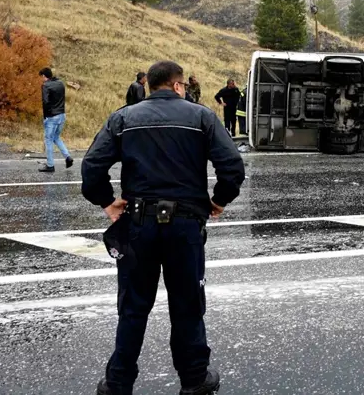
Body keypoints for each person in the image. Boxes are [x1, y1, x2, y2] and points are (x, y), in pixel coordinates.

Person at [82, 60, 245, 395]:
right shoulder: (201, 116)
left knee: (133, 307)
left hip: (138, 224)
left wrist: (106, 201)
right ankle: (194, 379)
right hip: (185, 225)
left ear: (149, 86)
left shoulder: (123, 118)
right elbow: (232, 165)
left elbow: (92, 166)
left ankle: (118, 383)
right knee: (187, 304)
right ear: (177, 85)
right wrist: (219, 200)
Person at [38, 67, 73, 173]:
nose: (42, 79)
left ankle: (50, 165)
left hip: (52, 117)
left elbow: (45, 102)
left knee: (48, 140)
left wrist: (46, 116)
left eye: (42, 77)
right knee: (56, 137)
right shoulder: (60, 83)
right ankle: (68, 157)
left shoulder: (45, 86)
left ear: (44, 76)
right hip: (62, 114)